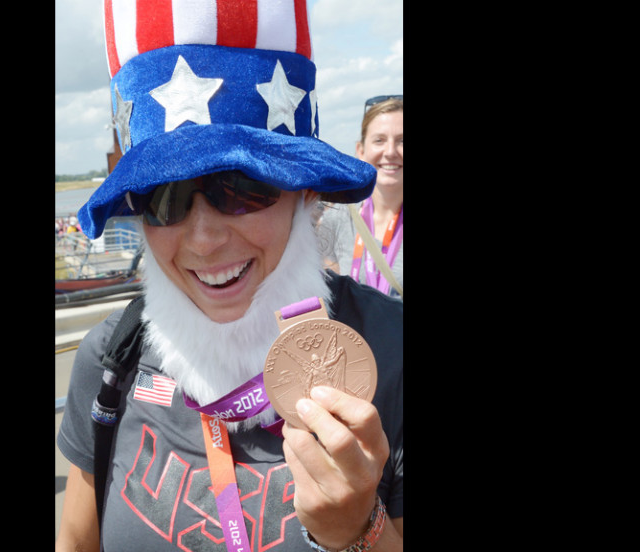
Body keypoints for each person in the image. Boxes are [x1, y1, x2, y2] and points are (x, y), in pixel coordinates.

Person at [56, 2, 402, 551]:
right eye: (162, 196)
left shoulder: (392, 351)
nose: (203, 238)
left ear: (304, 190)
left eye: (241, 185)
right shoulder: (108, 361)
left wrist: (357, 533)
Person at [317, 96, 403, 298]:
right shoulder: (338, 219)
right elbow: (327, 296)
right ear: (361, 150)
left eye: (402, 140)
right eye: (379, 140)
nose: (390, 152)